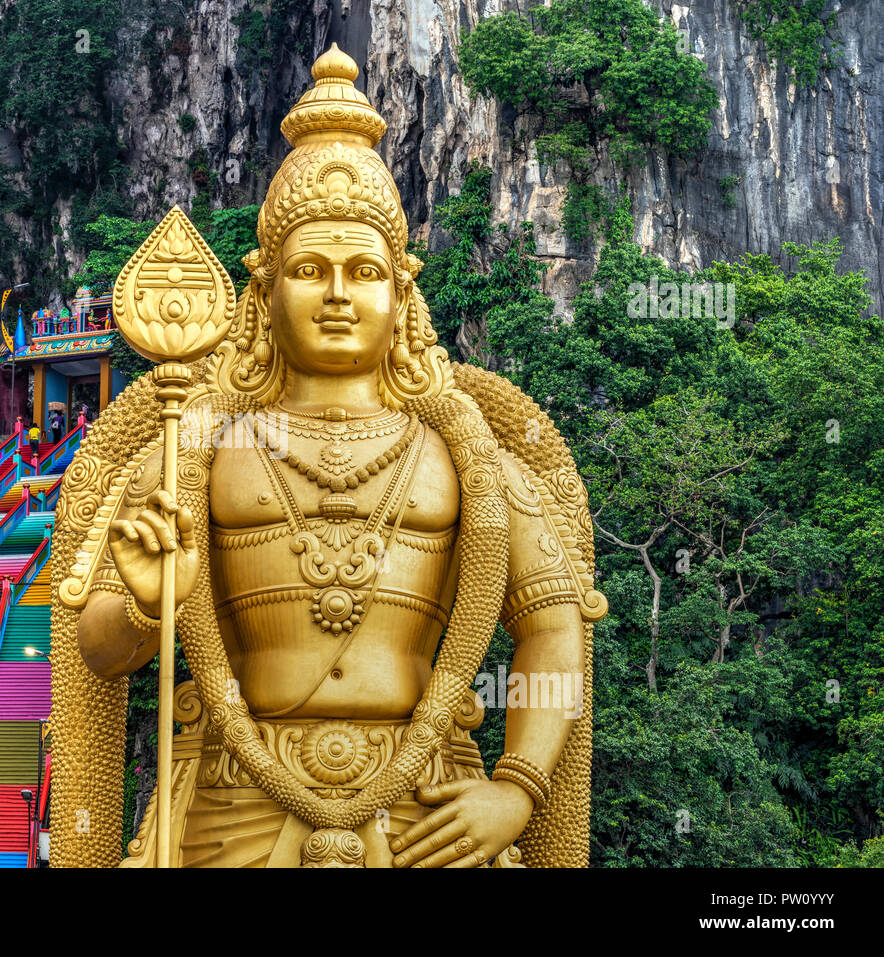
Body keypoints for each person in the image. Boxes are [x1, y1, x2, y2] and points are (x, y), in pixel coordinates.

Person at [52, 46, 602, 869]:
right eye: (310, 269)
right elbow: (98, 648)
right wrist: (141, 604)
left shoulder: (467, 452)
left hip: (429, 806)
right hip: (234, 798)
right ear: (265, 289)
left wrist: (515, 787)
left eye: (364, 271)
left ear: (400, 292)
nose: (339, 293)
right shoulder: (191, 449)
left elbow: (553, 628)